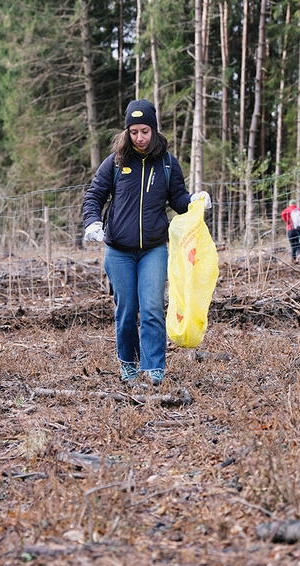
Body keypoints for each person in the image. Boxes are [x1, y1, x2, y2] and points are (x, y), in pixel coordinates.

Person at [82, 99, 211, 386]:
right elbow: (94, 195)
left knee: (152, 307)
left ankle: (154, 367)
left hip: (153, 249)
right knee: (126, 310)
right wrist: (93, 221)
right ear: (127, 132)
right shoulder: (115, 162)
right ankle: (128, 362)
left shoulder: (166, 163)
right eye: (134, 131)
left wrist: (193, 200)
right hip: (118, 251)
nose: (139, 138)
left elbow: (177, 199)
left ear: (153, 130)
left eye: (145, 131)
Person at [281, 199, 300, 263]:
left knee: (293, 245)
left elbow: (282, 214)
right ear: (295, 204)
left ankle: (293, 259)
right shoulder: (298, 210)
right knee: (299, 245)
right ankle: (299, 257)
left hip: (290, 230)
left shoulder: (286, 210)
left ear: (289, 204)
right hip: (298, 230)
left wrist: (287, 221)